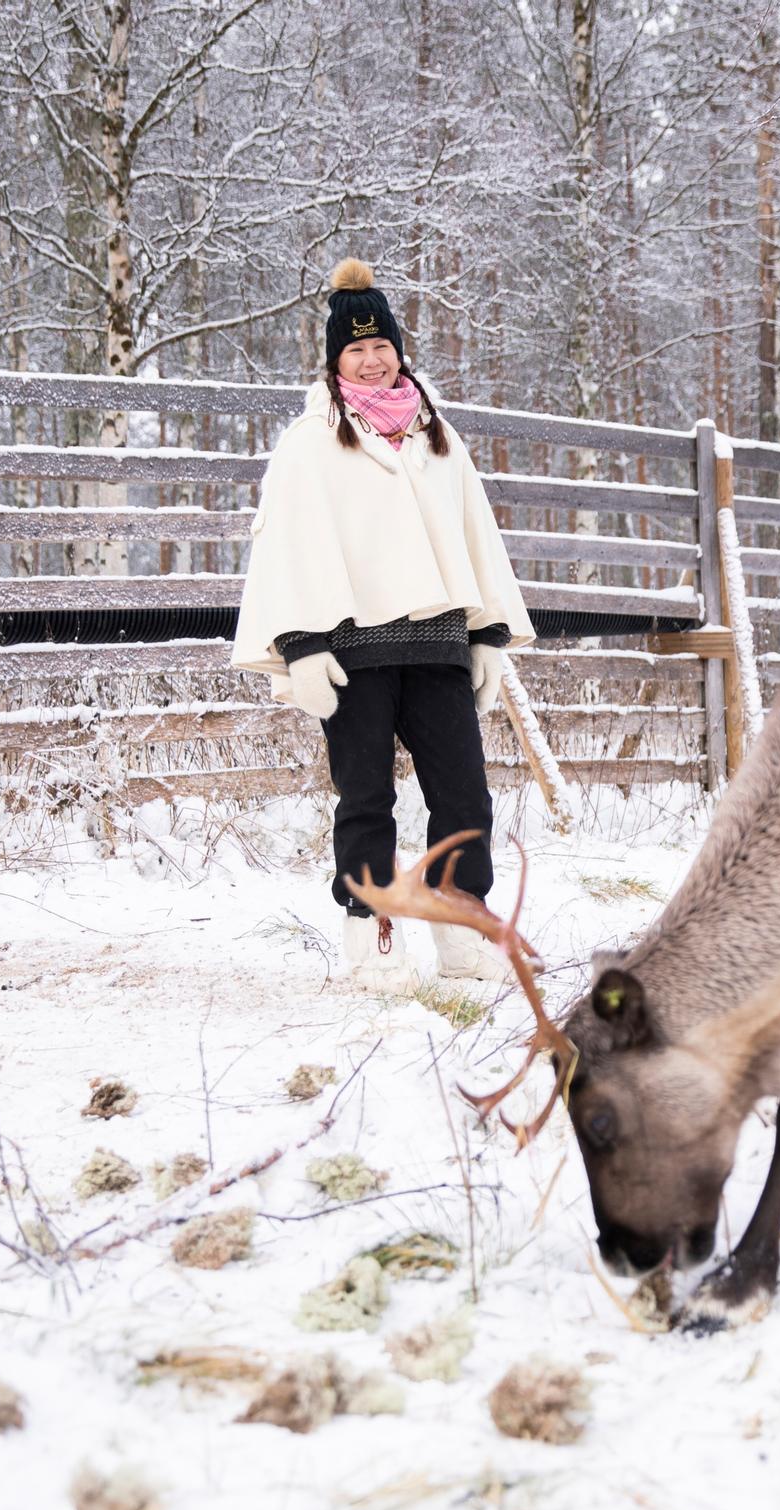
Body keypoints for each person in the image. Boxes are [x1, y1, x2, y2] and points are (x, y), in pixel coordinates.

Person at [232, 256, 534, 990]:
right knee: (366, 796)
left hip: (437, 647)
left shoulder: (437, 437)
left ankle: (462, 932)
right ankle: (368, 939)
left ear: (399, 351)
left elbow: (474, 532)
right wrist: (300, 646)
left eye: (382, 347)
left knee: (464, 793)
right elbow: (291, 541)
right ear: (336, 358)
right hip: (352, 653)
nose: (371, 361)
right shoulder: (311, 441)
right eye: (355, 349)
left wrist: (488, 635)